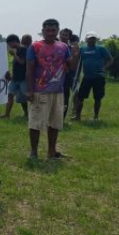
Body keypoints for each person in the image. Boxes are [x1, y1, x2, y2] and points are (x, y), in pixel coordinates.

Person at [26, 19, 80, 159]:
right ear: (43, 31)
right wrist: (30, 90)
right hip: (40, 90)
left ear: (57, 31)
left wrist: (75, 55)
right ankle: (33, 152)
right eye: (47, 30)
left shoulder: (63, 47)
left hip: (58, 91)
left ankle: (51, 151)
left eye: (53, 30)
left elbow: (72, 67)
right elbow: (30, 69)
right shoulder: (35, 46)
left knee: (55, 123)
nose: (50, 33)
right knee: (36, 123)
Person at [72, 33, 113, 122]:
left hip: (99, 77)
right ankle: (77, 116)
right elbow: (76, 58)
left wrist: (105, 68)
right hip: (86, 77)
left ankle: (96, 116)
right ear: (86, 40)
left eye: (93, 38)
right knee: (80, 97)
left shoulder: (101, 48)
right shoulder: (82, 48)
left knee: (97, 98)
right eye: (90, 39)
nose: (92, 40)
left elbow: (110, 59)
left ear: (96, 39)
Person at [3, 35, 31, 118]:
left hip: (23, 79)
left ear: (14, 41)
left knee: (27, 97)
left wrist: (14, 55)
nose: (9, 45)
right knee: (10, 95)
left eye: (9, 43)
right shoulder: (18, 50)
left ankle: (29, 114)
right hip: (15, 79)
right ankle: (7, 114)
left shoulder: (23, 49)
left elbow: (22, 62)